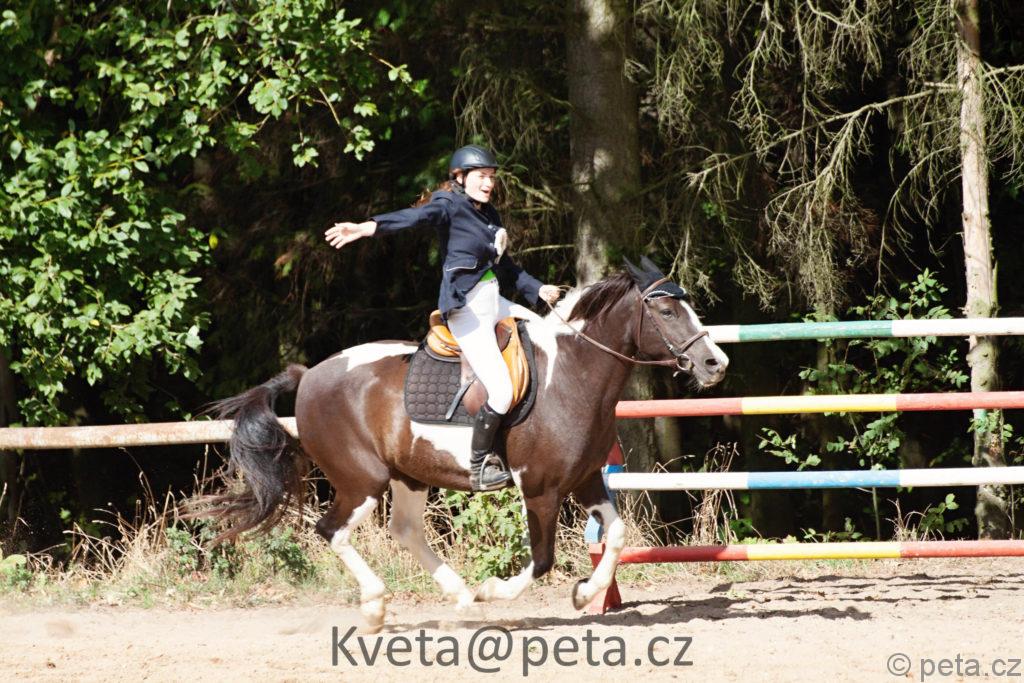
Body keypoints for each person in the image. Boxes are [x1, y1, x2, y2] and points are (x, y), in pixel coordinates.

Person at [325, 145, 561, 491]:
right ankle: (479, 465)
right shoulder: (449, 204)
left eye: (491, 177)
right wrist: (368, 227)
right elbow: (413, 218)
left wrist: (538, 289)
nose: (488, 183)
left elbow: (506, 267)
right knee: (501, 391)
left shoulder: (489, 214)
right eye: (481, 176)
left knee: (546, 334)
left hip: (493, 301)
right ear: (460, 177)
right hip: (467, 310)